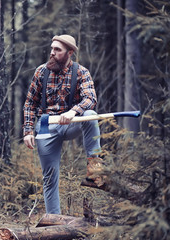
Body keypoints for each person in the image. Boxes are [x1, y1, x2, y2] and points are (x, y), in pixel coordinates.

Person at [23, 34, 104, 214]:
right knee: (49, 178)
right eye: (52, 49)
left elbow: (91, 98)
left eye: (57, 50)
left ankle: (95, 169)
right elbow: (30, 104)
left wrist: (73, 112)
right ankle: (54, 222)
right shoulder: (41, 72)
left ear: (70, 52)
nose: (52, 53)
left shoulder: (81, 72)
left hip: (70, 123)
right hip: (45, 126)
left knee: (90, 114)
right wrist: (28, 130)